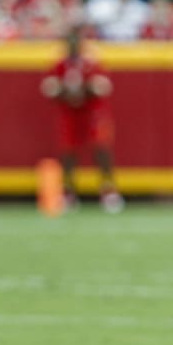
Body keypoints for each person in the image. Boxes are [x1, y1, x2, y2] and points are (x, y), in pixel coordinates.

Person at [40, 25, 123, 212]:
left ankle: (108, 190)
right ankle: (69, 192)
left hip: (92, 110)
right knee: (68, 151)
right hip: (70, 112)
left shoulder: (91, 62)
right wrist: (66, 92)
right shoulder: (61, 64)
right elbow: (49, 87)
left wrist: (80, 90)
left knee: (101, 148)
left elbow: (102, 86)